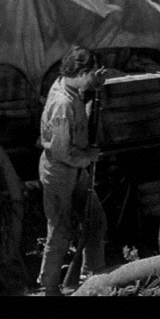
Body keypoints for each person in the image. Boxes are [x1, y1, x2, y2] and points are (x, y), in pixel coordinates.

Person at [37, 46, 108, 296]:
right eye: (90, 74)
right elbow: (61, 152)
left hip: (76, 170)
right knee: (60, 230)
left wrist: (95, 84)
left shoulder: (69, 86)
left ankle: (93, 277)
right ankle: (50, 286)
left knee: (95, 220)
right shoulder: (62, 104)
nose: (91, 79)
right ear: (80, 73)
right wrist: (88, 157)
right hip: (60, 172)